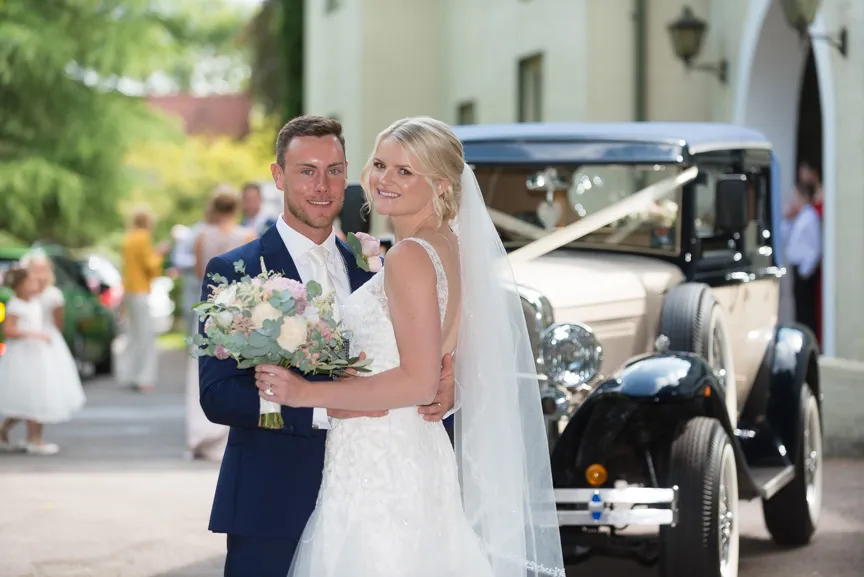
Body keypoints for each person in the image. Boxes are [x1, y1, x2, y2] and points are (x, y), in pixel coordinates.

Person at [255, 117, 565, 577]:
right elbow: (442, 362)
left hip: (380, 466)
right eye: (380, 164)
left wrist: (305, 393)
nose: (384, 179)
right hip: (414, 451)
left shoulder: (410, 256)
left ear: (441, 185)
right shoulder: (452, 247)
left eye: (405, 171)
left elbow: (417, 381)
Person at [197, 116, 457, 577]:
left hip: (381, 492)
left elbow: (421, 348)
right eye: (306, 170)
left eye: (334, 170)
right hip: (273, 499)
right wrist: (316, 409)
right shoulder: (234, 270)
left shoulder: (376, 264)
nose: (323, 185)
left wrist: (449, 381)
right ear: (278, 175)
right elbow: (218, 395)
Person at [185, 186, 255, 461]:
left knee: (203, 372)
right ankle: (228, 432)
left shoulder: (203, 236)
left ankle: (201, 433)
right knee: (236, 369)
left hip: (211, 308)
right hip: (238, 310)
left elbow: (201, 273)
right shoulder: (247, 236)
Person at [0, 265, 84, 455]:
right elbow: (8, 330)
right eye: (30, 281)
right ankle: (33, 438)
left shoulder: (36, 301)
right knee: (31, 397)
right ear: (20, 286)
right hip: (24, 356)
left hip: (38, 355)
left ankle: (22, 434)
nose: (35, 283)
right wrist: (33, 334)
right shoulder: (15, 305)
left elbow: (50, 297)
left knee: (36, 397)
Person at [118, 207, 171, 393]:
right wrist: (161, 253)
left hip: (129, 290)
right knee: (146, 335)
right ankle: (144, 378)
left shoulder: (128, 238)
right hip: (140, 290)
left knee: (132, 335)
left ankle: (127, 374)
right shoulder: (143, 237)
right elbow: (150, 264)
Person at [784, 181, 822, 339]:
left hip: (804, 271)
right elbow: (785, 235)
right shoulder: (800, 216)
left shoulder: (810, 217)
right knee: (799, 310)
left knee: (806, 312)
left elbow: (815, 248)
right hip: (797, 268)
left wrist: (805, 271)